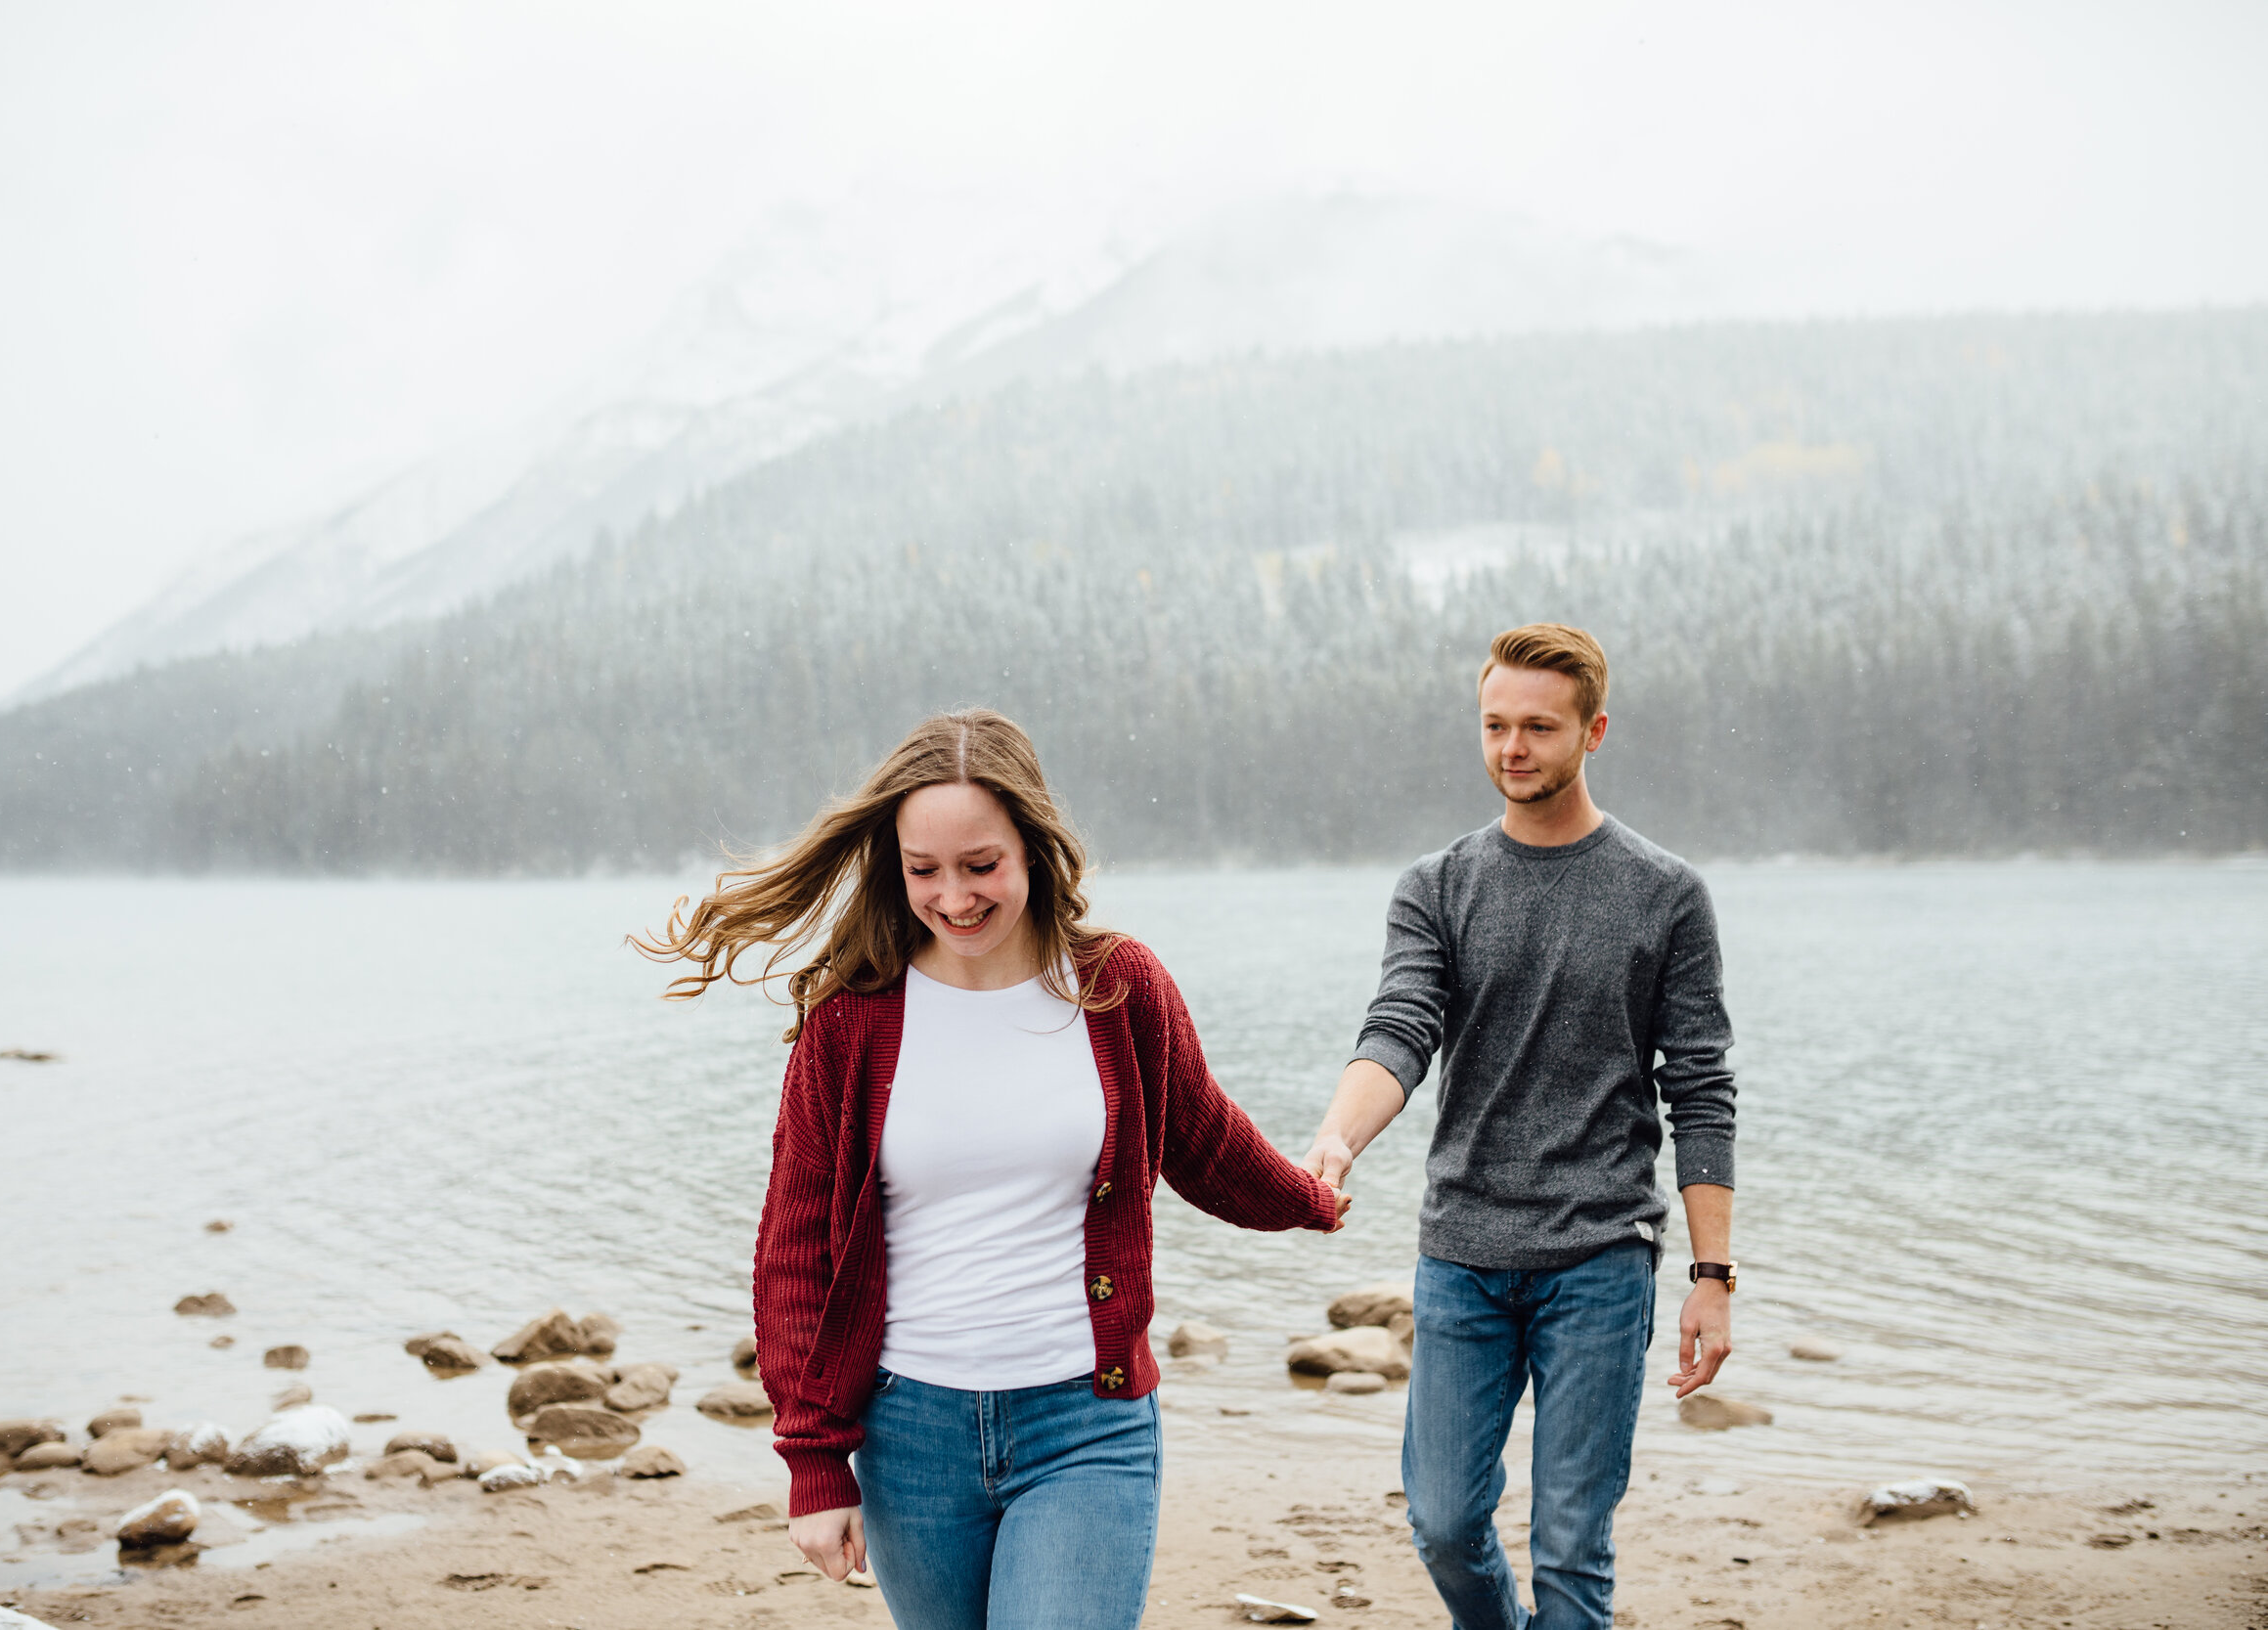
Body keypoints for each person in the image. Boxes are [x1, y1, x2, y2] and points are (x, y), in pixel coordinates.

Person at [636, 708, 1349, 1630]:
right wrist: (813, 1462)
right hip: (910, 1436)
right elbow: (796, 1247)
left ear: (1035, 848)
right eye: (922, 869)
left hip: (1084, 1427)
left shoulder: (1117, 987)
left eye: (982, 866)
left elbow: (1203, 1139)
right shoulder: (850, 1022)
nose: (954, 896)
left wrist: (1311, 1197)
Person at [1300, 623, 1739, 1630]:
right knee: (1447, 1523)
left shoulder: (1665, 894)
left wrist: (1711, 1277)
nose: (1511, 747)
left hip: (1599, 1257)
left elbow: (1702, 1089)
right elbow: (1399, 1027)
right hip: (1461, 1253)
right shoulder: (1438, 885)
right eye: (1494, 724)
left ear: (1593, 731)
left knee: (1572, 1550)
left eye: (1538, 726)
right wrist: (1337, 1135)